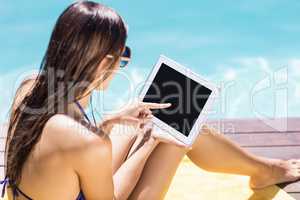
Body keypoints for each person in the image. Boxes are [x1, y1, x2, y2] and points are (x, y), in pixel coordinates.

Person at [2, 1, 300, 200]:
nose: (122, 65)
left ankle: (264, 169)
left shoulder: (30, 89)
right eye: (123, 57)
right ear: (105, 63)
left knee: (158, 117)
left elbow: (65, 154)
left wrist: (110, 123)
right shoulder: (86, 143)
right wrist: (148, 144)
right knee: (175, 132)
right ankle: (267, 171)